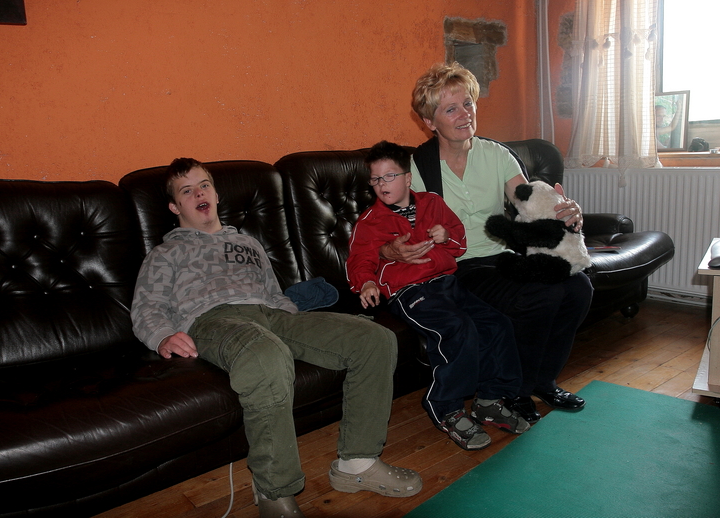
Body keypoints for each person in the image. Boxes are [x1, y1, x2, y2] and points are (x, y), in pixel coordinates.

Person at [131, 158, 422, 518]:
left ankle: (358, 464)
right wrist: (163, 336)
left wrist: (298, 322)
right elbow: (146, 307)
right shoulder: (165, 253)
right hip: (214, 320)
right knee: (266, 357)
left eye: (204, 185)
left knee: (375, 339)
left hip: (272, 315)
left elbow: (273, 293)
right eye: (186, 191)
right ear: (175, 207)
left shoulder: (248, 243)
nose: (199, 194)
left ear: (216, 194)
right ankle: (274, 490)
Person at [381, 62, 593, 423]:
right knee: (540, 295)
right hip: (458, 267)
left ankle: (543, 380)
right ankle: (517, 390)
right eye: (451, 109)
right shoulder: (418, 167)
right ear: (430, 121)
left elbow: (530, 202)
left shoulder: (496, 154)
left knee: (578, 288)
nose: (465, 114)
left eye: (468, 103)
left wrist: (567, 211)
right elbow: (391, 228)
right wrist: (390, 249)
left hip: (502, 257)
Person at [346, 141, 529, 451]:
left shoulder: (432, 203)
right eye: (375, 179)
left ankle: (489, 399)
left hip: (446, 283)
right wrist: (366, 283)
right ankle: (446, 408)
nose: (381, 184)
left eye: (389, 176)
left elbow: (459, 243)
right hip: (409, 292)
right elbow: (359, 259)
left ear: (407, 178)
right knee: (456, 327)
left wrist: (447, 235)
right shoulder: (370, 221)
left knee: (497, 324)